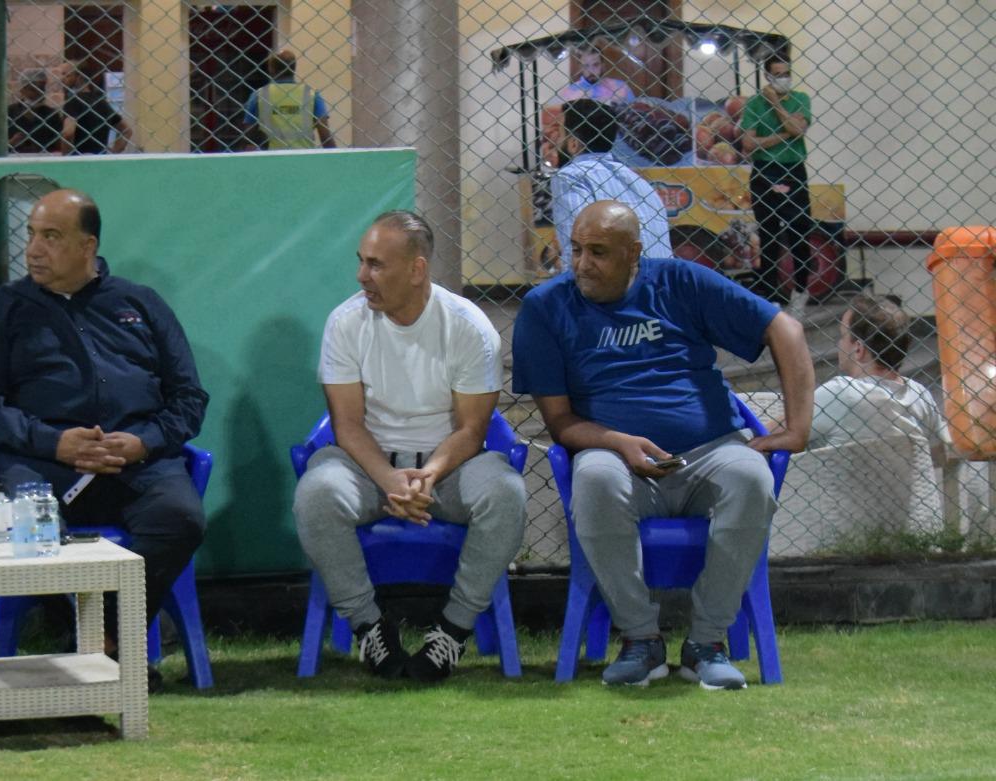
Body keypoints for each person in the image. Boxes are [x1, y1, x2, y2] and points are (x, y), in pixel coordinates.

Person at [512, 201, 813, 690]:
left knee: (750, 477)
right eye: (576, 249)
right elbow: (560, 422)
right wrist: (617, 442)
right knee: (593, 477)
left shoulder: (680, 281)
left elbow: (787, 329)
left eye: (598, 252)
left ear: (634, 253)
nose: (583, 264)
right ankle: (640, 640)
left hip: (710, 450)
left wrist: (797, 428)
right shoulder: (546, 308)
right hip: (616, 457)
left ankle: (706, 644)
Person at [0, 189, 207, 688]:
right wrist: (53, 443)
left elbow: (189, 399)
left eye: (51, 237)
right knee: (32, 530)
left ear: (87, 246)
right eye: (31, 234)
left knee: (180, 518)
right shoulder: (6, 309)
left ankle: (104, 640)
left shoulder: (140, 304)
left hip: (136, 463)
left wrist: (143, 442)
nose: (34, 249)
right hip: (44, 463)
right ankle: (98, 643)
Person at [293, 211, 526, 682]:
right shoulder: (345, 323)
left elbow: (472, 430)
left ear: (417, 269)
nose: (361, 276)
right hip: (367, 467)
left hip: (450, 470)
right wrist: (390, 481)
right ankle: (369, 626)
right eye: (361, 261)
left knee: (506, 494)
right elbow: (347, 425)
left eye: (376, 265)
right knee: (316, 494)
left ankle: (452, 631)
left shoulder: (468, 326)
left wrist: (428, 476)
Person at [811, 294, 950, 526]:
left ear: (858, 348)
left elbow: (773, 433)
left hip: (850, 527)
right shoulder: (921, 395)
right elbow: (939, 452)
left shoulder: (839, 393)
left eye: (842, 336)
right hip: (914, 524)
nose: (839, 345)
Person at [551, 99, 672, 270]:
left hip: (616, 283)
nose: (554, 139)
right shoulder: (636, 179)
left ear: (573, 144)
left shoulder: (571, 176)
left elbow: (576, 249)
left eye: (560, 132)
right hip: (660, 279)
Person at [740, 53, 816, 312]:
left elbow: (798, 129)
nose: (784, 79)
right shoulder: (754, 103)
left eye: (787, 74)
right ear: (767, 77)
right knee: (768, 234)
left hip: (793, 169)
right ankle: (770, 295)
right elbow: (748, 144)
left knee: (799, 231)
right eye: (778, 75)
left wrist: (775, 104)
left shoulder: (801, 99)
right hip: (764, 171)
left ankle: (800, 291)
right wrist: (785, 133)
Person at [242, 50, 336, 150]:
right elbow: (325, 135)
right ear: (293, 68)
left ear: (271, 69)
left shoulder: (259, 95)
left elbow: (249, 136)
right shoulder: (311, 94)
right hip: (304, 155)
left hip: (272, 156)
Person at [62, 60, 134, 155]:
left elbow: (68, 132)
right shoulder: (101, 102)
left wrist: (67, 155)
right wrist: (114, 152)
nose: (62, 79)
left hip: (80, 157)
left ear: (79, 77)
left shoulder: (73, 102)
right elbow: (127, 130)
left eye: (67, 75)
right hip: (100, 157)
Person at [7, 70, 64, 154]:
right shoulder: (10, 112)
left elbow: (59, 144)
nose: (39, 93)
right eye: (33, 89)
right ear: (23, 90)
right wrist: (13, 142)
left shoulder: (51, 114)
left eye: (41, 88)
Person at [557, 47, 634, 105]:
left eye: (595, 65)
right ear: (580, 67)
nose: (591, 71)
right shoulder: (569, 93)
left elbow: (635, 111)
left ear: (602, 65)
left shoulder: (621, 87)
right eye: (586, 66)